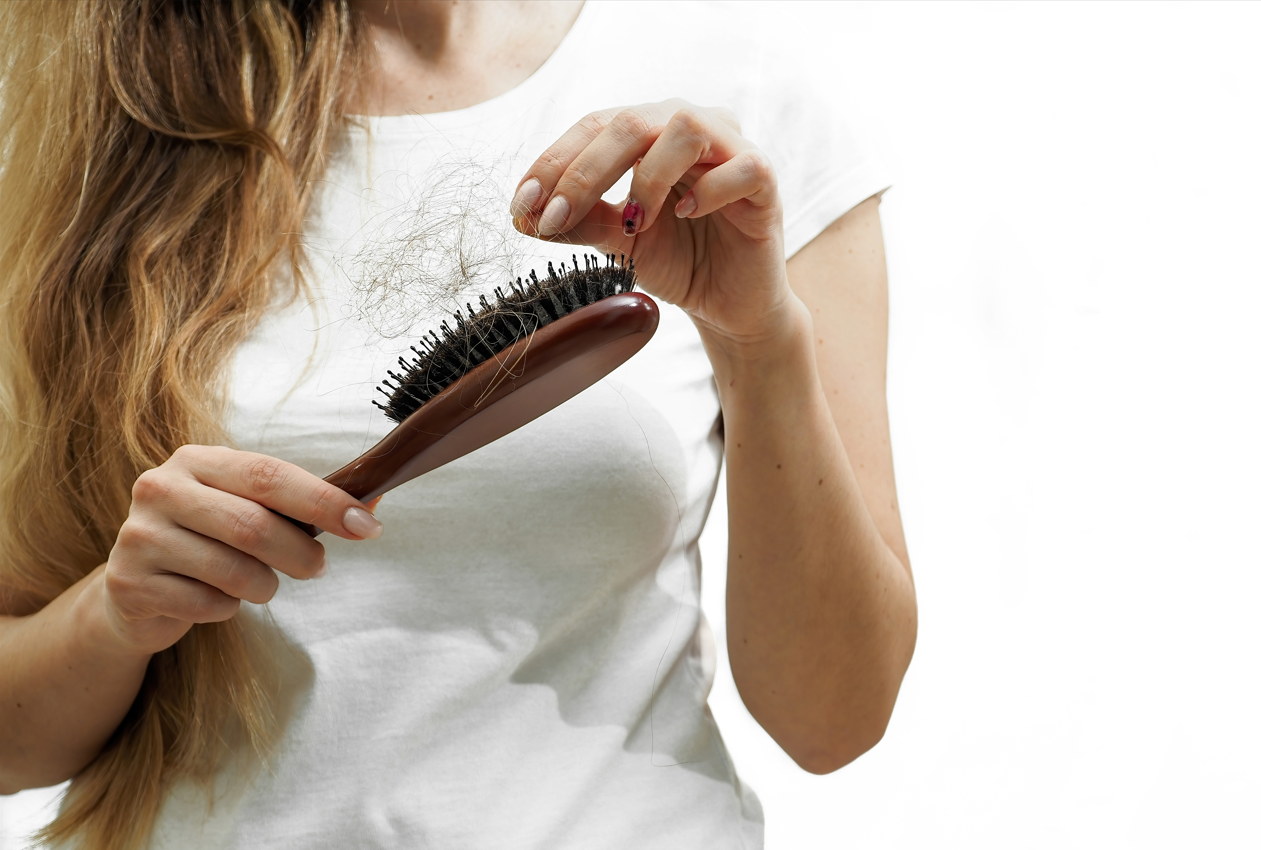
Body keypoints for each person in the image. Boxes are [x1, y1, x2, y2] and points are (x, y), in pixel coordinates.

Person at [0, 1, 916, 848]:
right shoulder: (82, 121)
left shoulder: (728, 110)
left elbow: (832, 718)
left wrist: (759, 342)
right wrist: (115, 616)